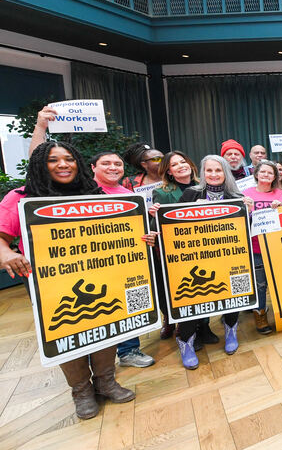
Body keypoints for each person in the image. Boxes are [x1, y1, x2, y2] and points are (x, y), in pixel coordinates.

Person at [0, 141, 136, 419]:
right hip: (48, 281)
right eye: (53, 160)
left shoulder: (94, 194)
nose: (63, 164)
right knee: (66, 331)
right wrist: (5, 253)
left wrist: (141, 239)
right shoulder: (20, 197)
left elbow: (120, 231)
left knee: (105, 323)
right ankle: (81, 391)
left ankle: (106, 382)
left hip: (101, 273)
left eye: (69, 159)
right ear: (41, 164)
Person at [159, 155, 253, 367]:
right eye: (209, 171)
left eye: (218, 170)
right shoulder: (191, 194)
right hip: (195, 260)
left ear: (225, 172)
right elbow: (174, 227)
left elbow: (246, 232)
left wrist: (249, 212)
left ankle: (231, 331)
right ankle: (186, 342)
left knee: (232, 294)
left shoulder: (236, 195)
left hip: (228, 257)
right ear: (202, 173)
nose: (213, 174)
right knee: (190, 301)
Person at [90, 152, 157, 368]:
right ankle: (98, 364)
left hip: (128, 261)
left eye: (117, 164)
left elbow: (140, 228)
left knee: (131, 303)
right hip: (93, 263)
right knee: (97, 309)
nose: (113, 167)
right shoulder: (83, 193)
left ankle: (129, 351)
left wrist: (149, 235)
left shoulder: (129, 195)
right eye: (106, 163)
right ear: (93, 167)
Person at [152, 151, 200, 339]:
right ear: (169, 171)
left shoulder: (203, 186)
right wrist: (154, 214)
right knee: (178, 288)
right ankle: (174, 321)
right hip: (177, 249)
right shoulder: (162, 193)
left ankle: (202, 325)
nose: (181, 166)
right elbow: (158, 224)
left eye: (183, 161)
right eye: (174, 164)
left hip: (204, 246)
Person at [243, 160, 282, 335]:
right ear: (256, 174)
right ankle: (260, 314)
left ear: (275, 177)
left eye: (270, 173)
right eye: (262, 172)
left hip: (278, 248)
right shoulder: (245, 194)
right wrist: (246, 210)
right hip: (256, 248)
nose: (266, 175)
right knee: (260, 285)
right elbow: (238, 225)